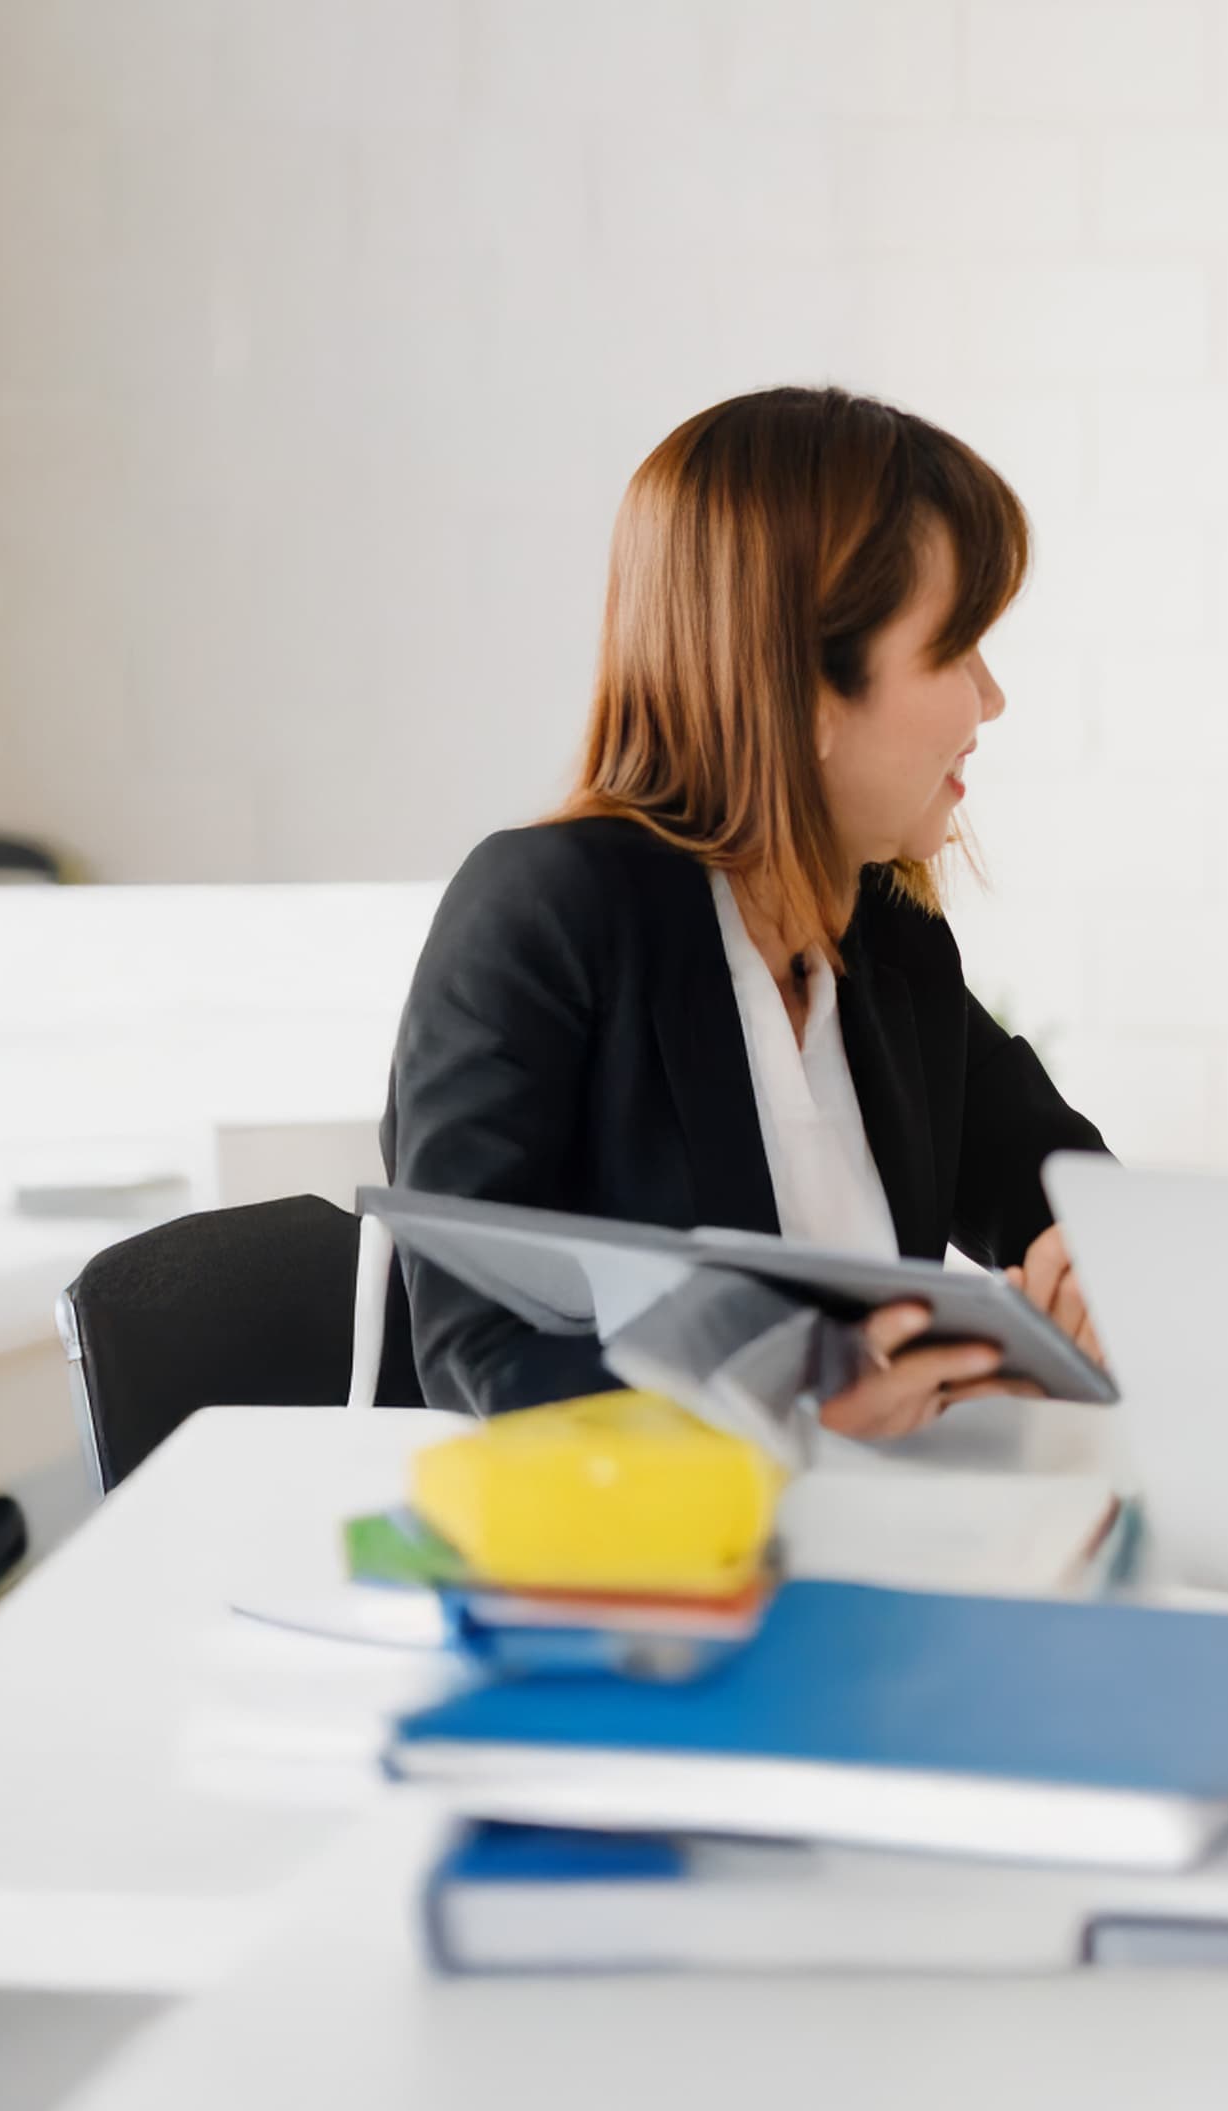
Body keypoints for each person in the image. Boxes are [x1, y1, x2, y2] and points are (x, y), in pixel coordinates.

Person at [382, 387, 1108, 1434]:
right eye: (956, 649)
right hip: (636, 1536)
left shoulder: (891, 938)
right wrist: (786, 1414)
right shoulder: (543, 916)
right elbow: (474, 1357)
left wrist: (1087, 1267)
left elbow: (1061, 1192)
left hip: (866, 1524)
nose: (990, 699)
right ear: (807, 688)